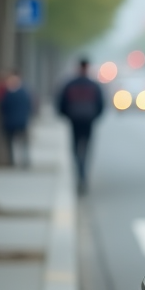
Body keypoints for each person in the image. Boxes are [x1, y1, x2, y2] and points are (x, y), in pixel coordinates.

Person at [56, 58, 105, 193]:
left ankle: (79, 173)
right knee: (86, 148)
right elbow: (101, 105)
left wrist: (68, 116)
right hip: (88, 120)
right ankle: (83, 174)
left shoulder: (70, 84)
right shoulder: (93, 85)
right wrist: (94, 116)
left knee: (75, 148)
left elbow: (61, 103)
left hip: (74, 120)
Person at [0, 71, 33, 168]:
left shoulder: (7, 93)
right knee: (19, 143)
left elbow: (2, 107)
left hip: (13, 121)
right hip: (18, 121)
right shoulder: (24, 92)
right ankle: (21, 161)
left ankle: (15, 161)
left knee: (16, 143)